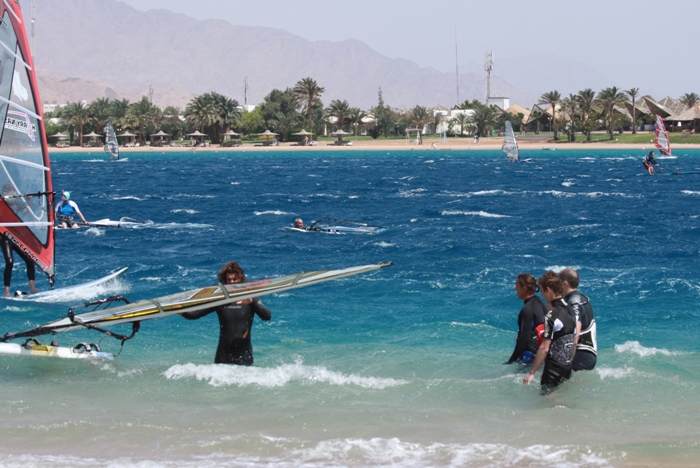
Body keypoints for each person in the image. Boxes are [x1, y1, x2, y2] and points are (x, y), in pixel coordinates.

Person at [181, 261, 271, 365]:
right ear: (225, 280)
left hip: (244, 354)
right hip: (223, 354)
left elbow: (267, 316)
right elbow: (195, 314)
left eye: (235, 279)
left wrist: (252, 303)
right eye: (229, 279)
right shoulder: (220, 299)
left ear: (241, 279)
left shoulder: (250, 298)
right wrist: (181, 311)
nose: (232, 282)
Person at [523, 272, 576, 394]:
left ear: (548, 289)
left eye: (542, 291)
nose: (541, 295)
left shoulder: (551, 316)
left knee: (546, 397)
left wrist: (531, 373)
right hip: (567, 365)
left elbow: (544, 348)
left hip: (554, 367)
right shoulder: (571, 309)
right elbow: (574, 338)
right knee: (560, 393)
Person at [559, 268, 597, 371]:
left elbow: (576, 333)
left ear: (564, 283)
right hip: (589, 354)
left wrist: (568, 360)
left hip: (580, 355)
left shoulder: (573, 302)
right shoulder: (583, 298)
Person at [505, 273, 547, 365]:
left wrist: (511, 361)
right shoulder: (540, 303)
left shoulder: (527, 310)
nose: (515, 289)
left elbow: (524, 339)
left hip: (529, 356)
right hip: (541, 355)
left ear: (524, 289)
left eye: (517, 286)